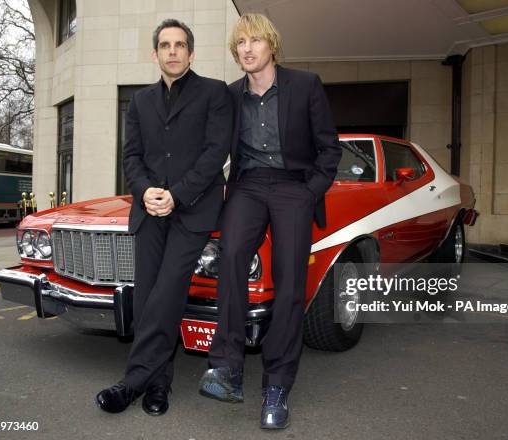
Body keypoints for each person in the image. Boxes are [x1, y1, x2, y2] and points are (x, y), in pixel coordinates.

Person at [199, 13, 342, 429]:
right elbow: (211, 148)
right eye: (240, 42)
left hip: (293, 185)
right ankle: (227, 368)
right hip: (247, 185)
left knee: (290, 280)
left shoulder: (305, 85)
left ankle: (277, 384)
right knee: (229, 259)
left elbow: (329, 148)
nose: (246, 48)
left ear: (272, 46)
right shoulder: (229, 96)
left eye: (254, 41)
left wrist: (310, 190)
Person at [96, 18, 232, 416]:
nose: (173, 51)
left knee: (168, 292)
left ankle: (131, 382)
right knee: (149, 299)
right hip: (149, 211)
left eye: (180, 45)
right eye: (165, 45)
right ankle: (158, 385)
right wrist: (144, 191)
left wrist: (177, 195)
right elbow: (131, 157)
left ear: (191, 52)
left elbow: (215, 153)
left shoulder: (215, 93)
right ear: (154, 54)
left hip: (192, 210)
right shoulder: (139, 102)